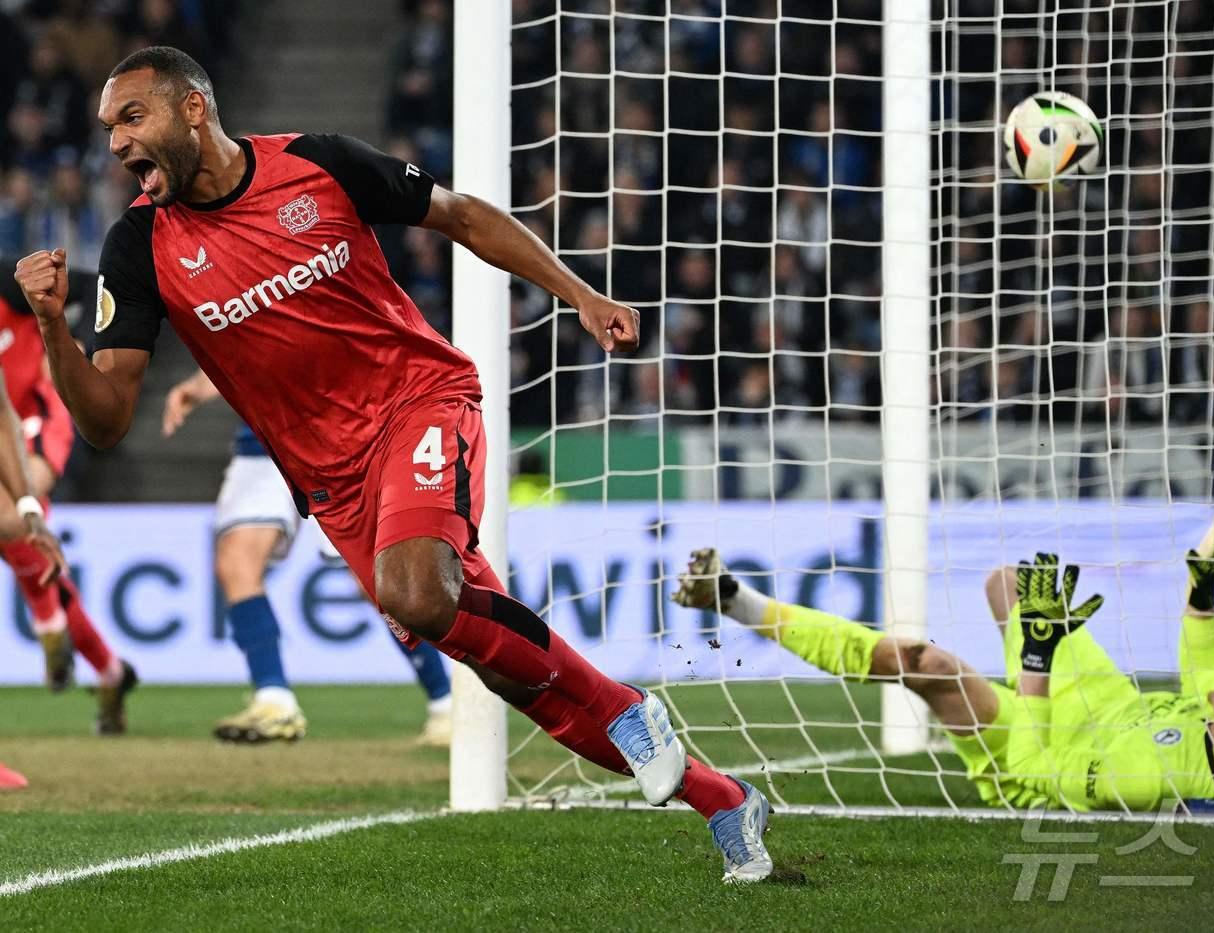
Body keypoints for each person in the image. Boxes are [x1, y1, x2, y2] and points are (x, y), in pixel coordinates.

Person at [14, 46, 770, 882]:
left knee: (417, 592)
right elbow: (108, 418)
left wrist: (581, 293)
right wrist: (53, 326)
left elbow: (467, 218)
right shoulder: (140, 245)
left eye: (132, 118)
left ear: (193, 109)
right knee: (513, 674)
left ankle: (630, 711)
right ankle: (720, 797)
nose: (116, 143)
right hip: (332, 484)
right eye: (107, 129)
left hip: (421, 402)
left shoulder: (317, 164)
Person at [673, 499, 1214, 812]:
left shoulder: (1157, 781)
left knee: (926, 664)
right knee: (1010, 585)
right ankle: (730, 596)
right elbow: (1205, 667)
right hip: (1101, 707)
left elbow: (1046, 772)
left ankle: (732, 599)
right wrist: (1203, 585)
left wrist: (1039, 664)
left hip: (1038, 751)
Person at [163, 368, 457, 746]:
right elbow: (232, 338)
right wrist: (199, 385)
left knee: (373, 577)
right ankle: (274, 701)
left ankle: (445, 703)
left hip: (335, 432)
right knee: (235, 562)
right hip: (262, 440)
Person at [0, 259, 137, 734]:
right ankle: (108, 670)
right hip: (11, 443)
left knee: (22, 528)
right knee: (47, 576)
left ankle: (53, 628)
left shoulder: (38, 331)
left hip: (24, 444)